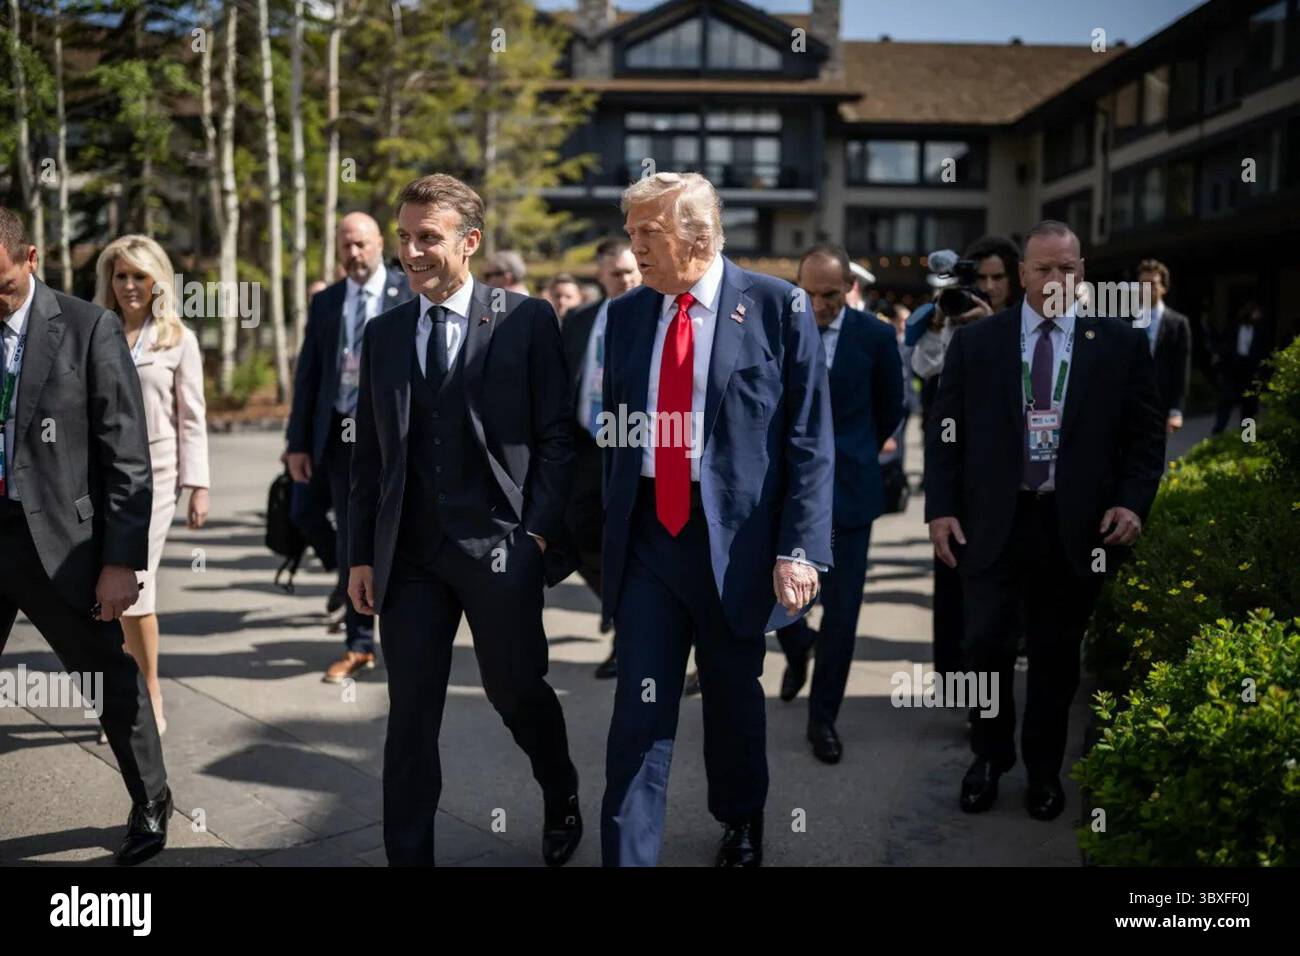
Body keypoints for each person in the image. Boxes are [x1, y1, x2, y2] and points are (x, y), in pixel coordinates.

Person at [347, 174, 582, 867]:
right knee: (411, 717)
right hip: (412, 557)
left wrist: (535, 534)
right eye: (405, 237)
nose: (411, 252)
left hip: (500, 548)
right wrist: (362, 555)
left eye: (428, 238)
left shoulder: (525, 319)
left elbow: (558, 439)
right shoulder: (384, 333)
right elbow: (371, 459)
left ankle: (559, 786)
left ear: (470, 242)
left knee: (516, 692)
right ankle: (408, 857)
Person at [599, 172, 834, 866]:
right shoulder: (627, 314)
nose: (634, 247)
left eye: (649, 233)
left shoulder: (777, 306)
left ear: (697, 235)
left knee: (733, 698)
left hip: (735, 541)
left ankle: (741, 820)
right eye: (632, 232)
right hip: (649, 534)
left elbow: (809, 442)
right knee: (638, 712)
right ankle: (627, 854)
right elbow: (613, 433)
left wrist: (799, 549)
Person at [925, 220, 1164, 821]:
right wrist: (940, 509)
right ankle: (988, 756)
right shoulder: (979, 343)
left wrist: (1132, 502)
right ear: (1023, 273)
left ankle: (1042, 770)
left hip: (1076, 527)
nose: (1055, 278)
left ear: (1081, 272)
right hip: (991, 523)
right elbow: (944, 433)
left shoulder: (1120, 342)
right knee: (983, 646)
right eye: (1043, 268)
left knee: (1058, 657)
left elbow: (1143, 438)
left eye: (1067, 267)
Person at [0, 207, 170, 864]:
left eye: (3, 285)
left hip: (61, 544)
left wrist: (121, 562)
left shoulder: (85, 328)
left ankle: (151, 799)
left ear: (32, 259)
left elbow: (127, 455)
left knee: (107, 679)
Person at [774, 244, 903, 764]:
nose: (820, 304)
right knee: (782, 598)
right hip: (784, 491)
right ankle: (796, 644)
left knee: (843, 613)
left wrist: (851, 457)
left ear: (849, 288)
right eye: (809, 293)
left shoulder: (874, 336)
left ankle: (823, 718)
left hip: (850, 492)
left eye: (830, 294)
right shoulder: (777, 329)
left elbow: (891, 407)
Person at [285, 212, 412, 683]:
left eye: (361, 244)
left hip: (398, 435)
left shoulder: (407, 292)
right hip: (341, 436)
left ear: (380, 243)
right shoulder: (327, 302)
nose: (354, 254)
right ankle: (358, 641)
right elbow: (309, 376)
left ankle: (401, 636)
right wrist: (297, 442)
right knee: (345, 533)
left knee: (397, 536)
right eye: (346, 246)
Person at [93, 236, 211, 737]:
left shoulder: (177, 339)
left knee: (135, 588)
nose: (129, 286)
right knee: (104, 593)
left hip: (158, 480)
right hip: (102, 477)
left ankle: (150, 692)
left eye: (139, 276)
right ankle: (123, 698)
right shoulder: (96, 332)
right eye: (120, 276)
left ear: (156, 280)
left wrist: (198, 484)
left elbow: (192, 418)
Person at [913, 235, 1021, 680]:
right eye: (982, 278)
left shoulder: (1020, 323)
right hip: (958, 468)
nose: (990, 287)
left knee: (998, 596)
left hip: (1007, 475)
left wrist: (993, 324)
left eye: (999, 278)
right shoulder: (951, 315)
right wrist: (939, 321)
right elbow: (922, 369)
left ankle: (990, 678)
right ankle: (956, 677)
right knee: (953, 578)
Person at [559, 237, 641, 680]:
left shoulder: (653, 314)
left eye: (632, 272)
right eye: (617, 274)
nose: (626, 280)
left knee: (630, 543)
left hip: (634, 446)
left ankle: (629, 636)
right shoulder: (580, 319)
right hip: (586, 445)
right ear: (601, 275)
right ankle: (619, 609)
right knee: (573, 532)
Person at [1135, 259, 1191, 436]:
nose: (1146, 288)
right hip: (1131, 403)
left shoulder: (1178, 323)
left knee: (1155, 457)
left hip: (1161, 405)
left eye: (1152, 284)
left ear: (1164, 288)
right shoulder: (1127, 320)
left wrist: (1176, 410)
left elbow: (1181, 370)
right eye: (1142, 284)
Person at [1212, 301, 1273, 434]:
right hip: (1233, 369)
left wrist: (1262, 373)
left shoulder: (1261, 330)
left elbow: (1264, 352)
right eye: (1256, 313)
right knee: (1226, 402)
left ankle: (1248, 437)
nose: (1258, 316)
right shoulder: (1233, 327)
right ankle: (1218, 433)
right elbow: (1223, 346)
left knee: (1250, 405)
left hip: (1251, 370)